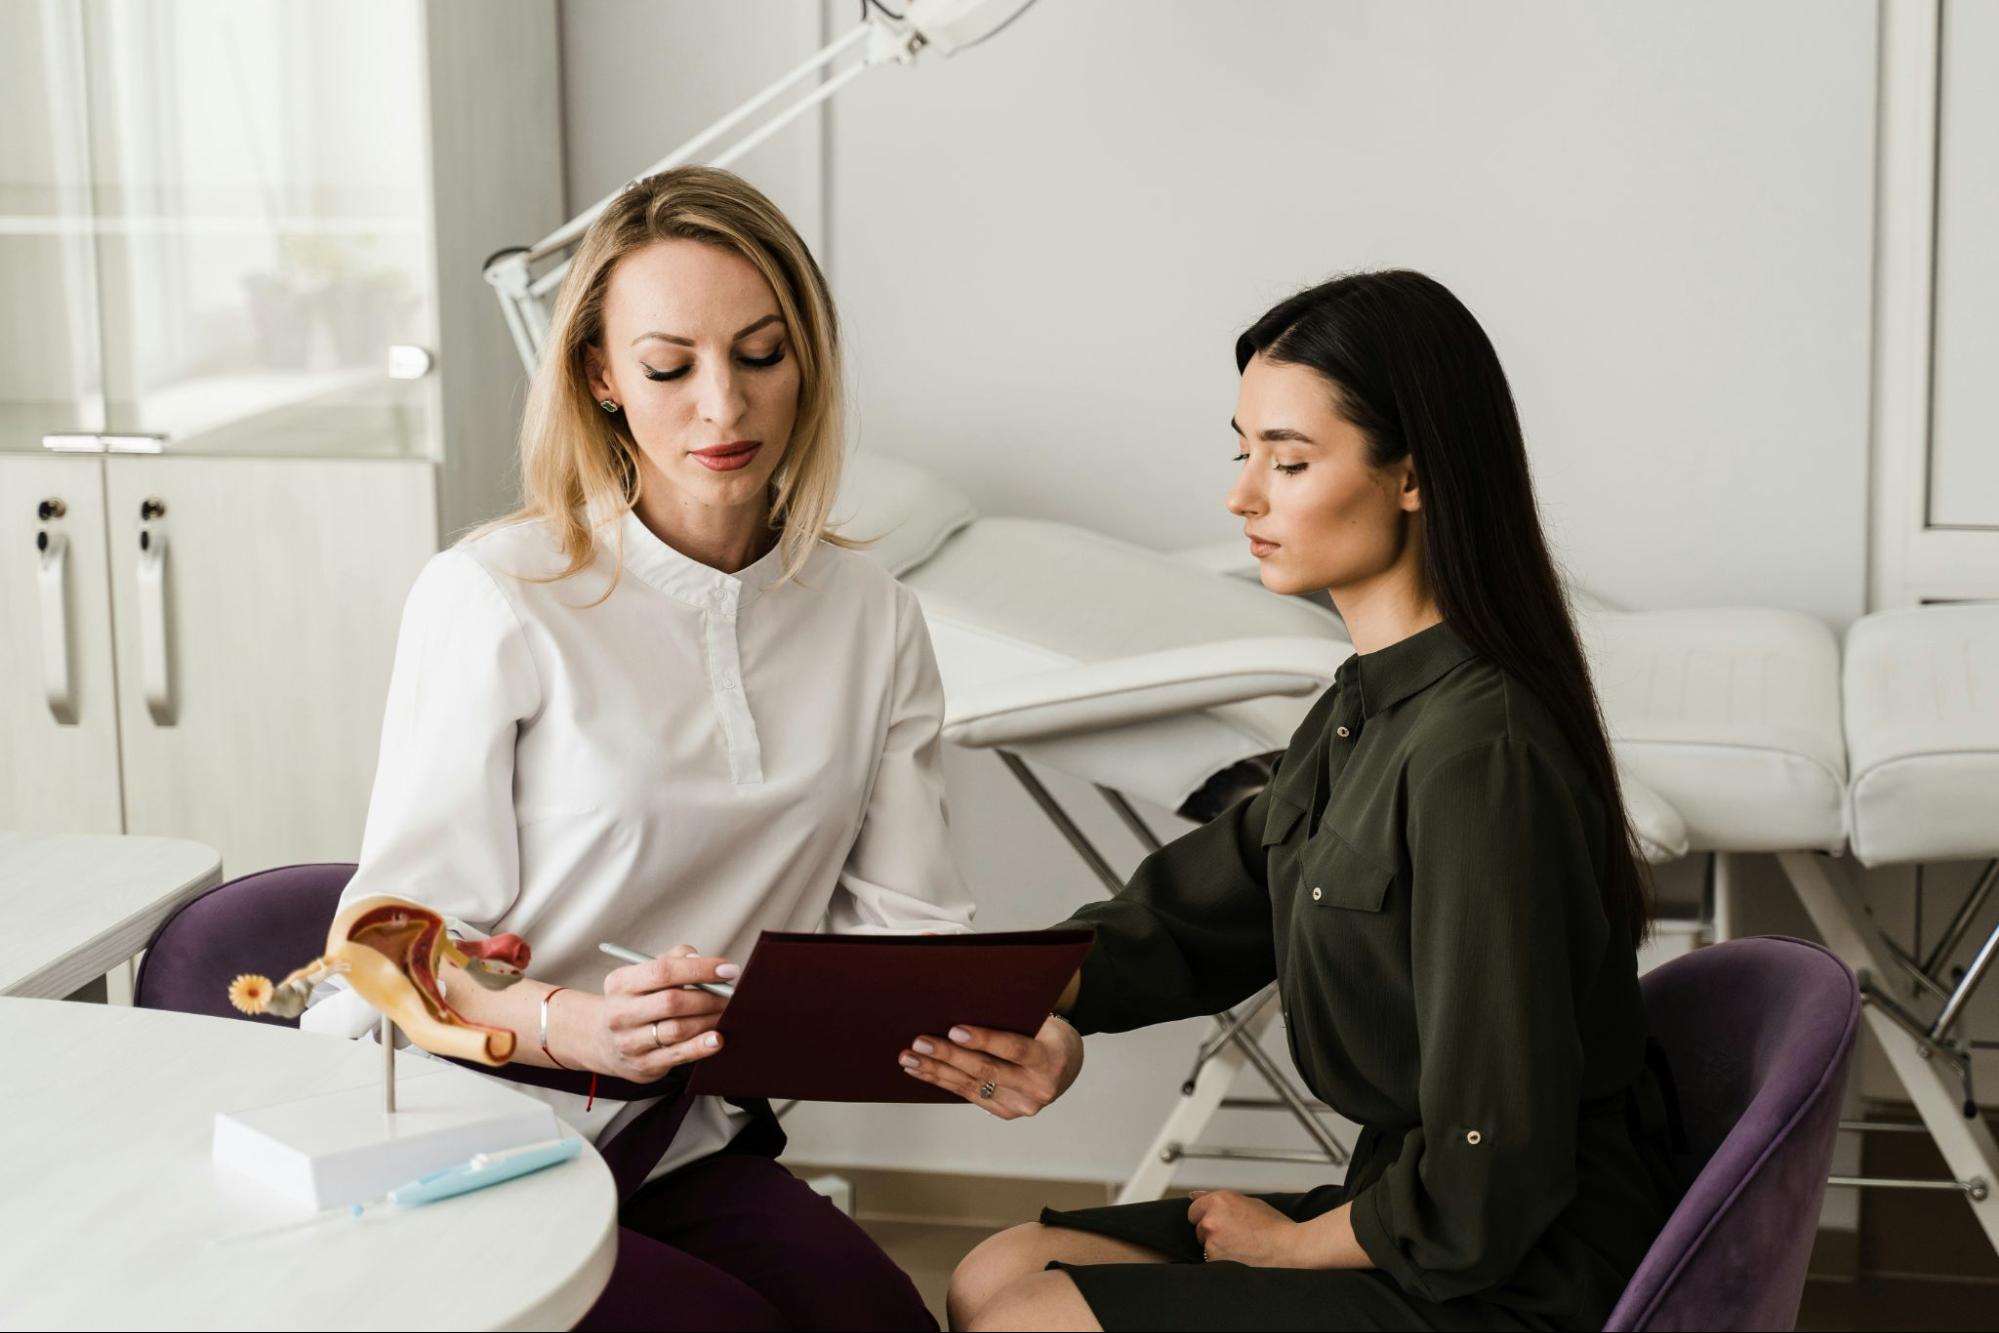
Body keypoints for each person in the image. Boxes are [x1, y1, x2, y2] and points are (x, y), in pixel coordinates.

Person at [908, 270, 1681, 1332]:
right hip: (1423, 1217)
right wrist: (1023, 1003)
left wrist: (1295, 1246)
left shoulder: (1479, 755)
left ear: (1412, 475)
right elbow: (1193, 915)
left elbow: (1494, 1149)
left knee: (1021, 1319)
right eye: (1243, 453)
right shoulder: (1362, 706)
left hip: (1507, 1268)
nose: (1243, 497)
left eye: (1289, 460)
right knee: (997, 1269)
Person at [303, 166, 963, 1332]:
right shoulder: (497, 595)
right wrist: (574, 1022)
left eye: (761, 355)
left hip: (676, 1138)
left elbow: (908, 941)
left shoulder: (874, 617)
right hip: (469, 1126)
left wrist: (1007, 1034)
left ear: (806, 361)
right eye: (669, 367)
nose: (724, 407)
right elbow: (384, 947)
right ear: (601, 377)